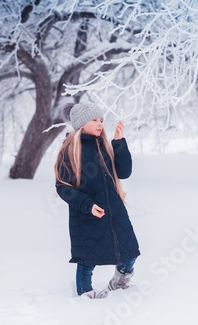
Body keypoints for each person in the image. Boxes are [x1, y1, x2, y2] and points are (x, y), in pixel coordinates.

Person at [54, 102, 140, 299]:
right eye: (94, 120)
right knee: (87, 258)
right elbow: (63, 187)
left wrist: (118, 142)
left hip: (114, 210)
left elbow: (124, 172)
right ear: (81, 123)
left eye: (101, 120)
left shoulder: (104, 146)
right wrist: (87, 204)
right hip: (87, 213)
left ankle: (120, 279)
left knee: (131, 251)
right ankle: (85, 293)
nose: (100, 123)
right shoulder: (70, 150)